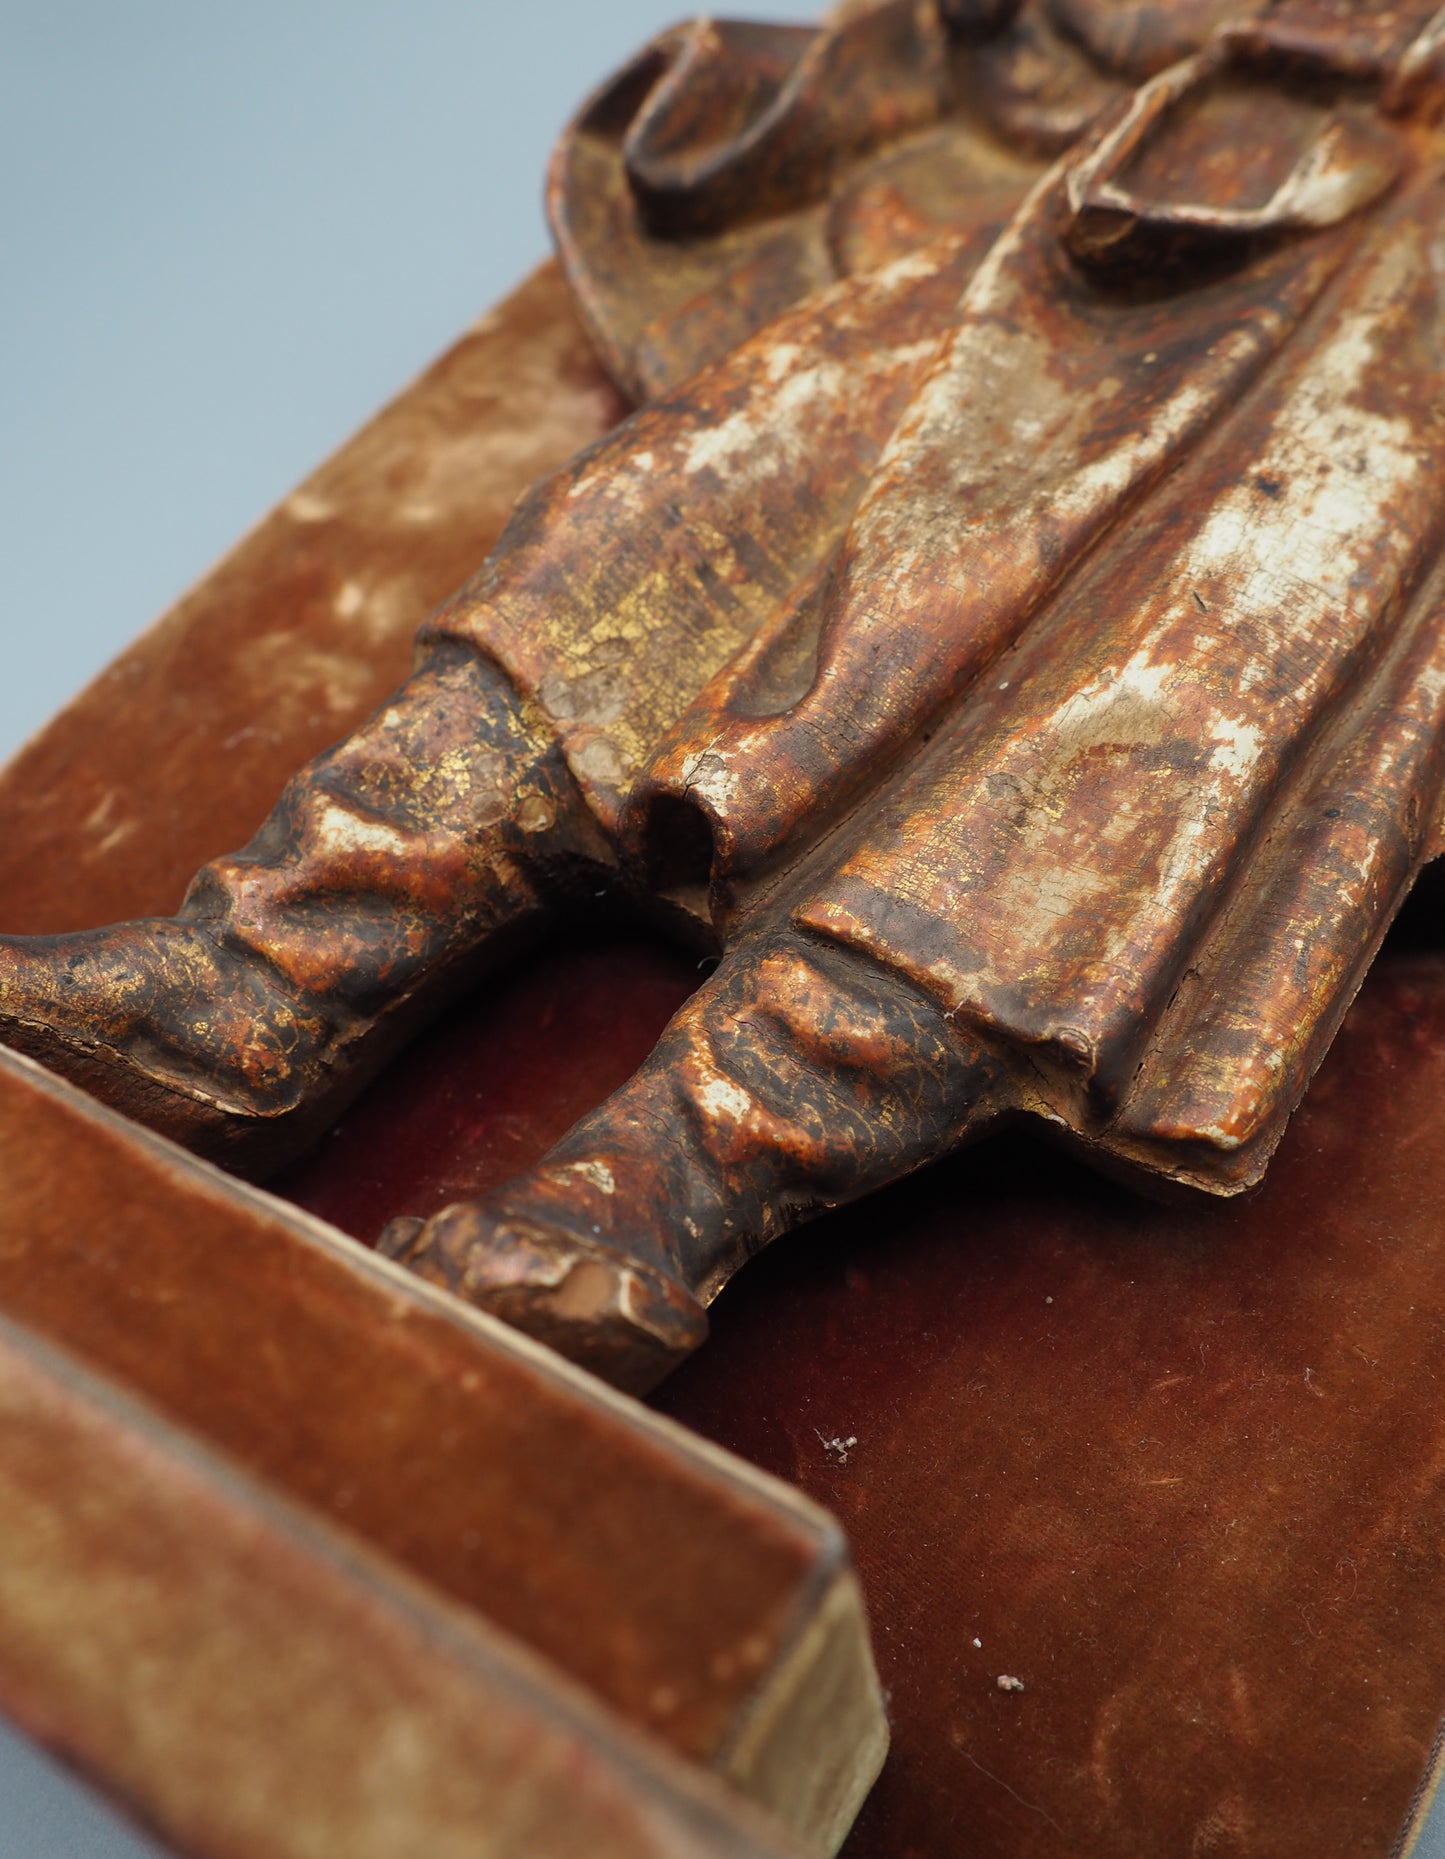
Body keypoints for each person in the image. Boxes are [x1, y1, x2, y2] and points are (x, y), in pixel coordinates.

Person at [4, 0, 1443, 1391]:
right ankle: (263, 970)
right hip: (1125, 224)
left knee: (1164, 705)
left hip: (1394, 380)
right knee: (696, 512)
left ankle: (665, 1185)